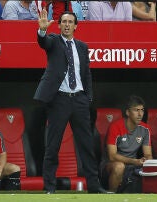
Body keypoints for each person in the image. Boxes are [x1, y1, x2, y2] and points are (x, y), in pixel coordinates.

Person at [34, 9, 107, 194]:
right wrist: (41, 31)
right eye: (63, 22)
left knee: (86, 145)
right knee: (53, 145)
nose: (66, 24)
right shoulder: (53, 41)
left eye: (70, 22)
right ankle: (49, 187)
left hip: (79, 100)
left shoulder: (82, 46)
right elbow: (44, 42)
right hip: (59, 100)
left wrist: (88, 97)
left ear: (76, 26)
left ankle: (94, 186)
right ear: (58, 26)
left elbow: (87, 74)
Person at [101, 95, 152, 192]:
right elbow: (112, 156)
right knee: (119, 166)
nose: (140, 114)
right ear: (128, 112)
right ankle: (112, 196)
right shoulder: (115, 127)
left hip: (132, 166)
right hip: (109, 166)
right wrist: (134, 161)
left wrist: (147, 160)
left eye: (142, 110)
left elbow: (148, 154)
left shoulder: (145, 129)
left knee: (151, 165)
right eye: (136, 110)